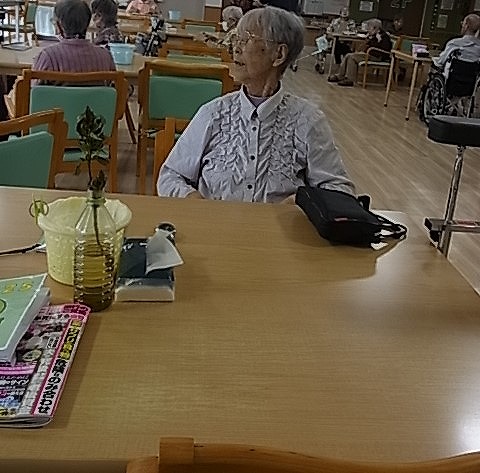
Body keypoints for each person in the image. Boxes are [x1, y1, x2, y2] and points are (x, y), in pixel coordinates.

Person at [157, 7, 354, 203]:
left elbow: (340, 190)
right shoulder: (213, 113)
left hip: (280, 224)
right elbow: (170, 176)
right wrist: (195, 201)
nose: (235, 49)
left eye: (246, 39)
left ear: (279, 54)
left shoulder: (308, 120)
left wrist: (302, 202)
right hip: (214, 221)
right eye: (236, 39)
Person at [32, 0, 116, 75]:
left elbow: (33, 86)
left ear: (59, 25)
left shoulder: (47, 57)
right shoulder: (106, 57)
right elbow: (115, 85)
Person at [327, 18, 391, 86]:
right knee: (348, 55)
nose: (368, 29)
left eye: (369, 27)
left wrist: (377, 40)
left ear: (375, 28)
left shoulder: (384, 36)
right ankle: (340, 75)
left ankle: (350, 79)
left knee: (352, 57)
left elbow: (385, 49)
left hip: (377, 56)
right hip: (369, 54)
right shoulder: (373, 35)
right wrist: (369, 39)